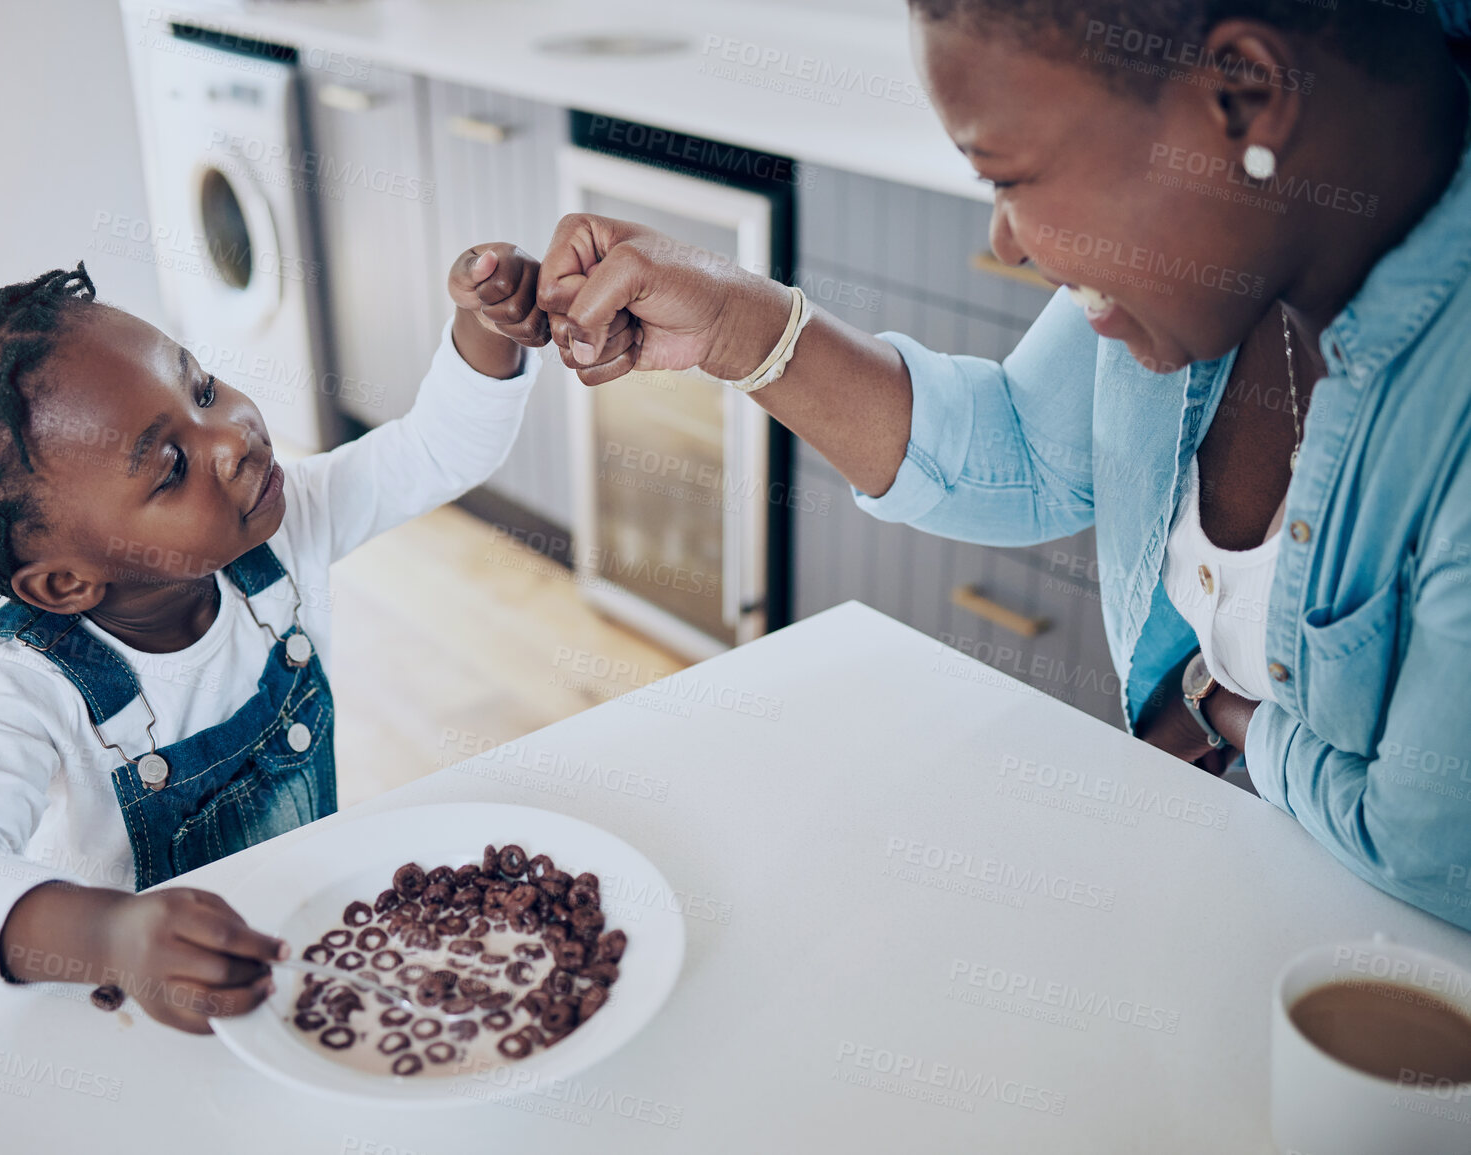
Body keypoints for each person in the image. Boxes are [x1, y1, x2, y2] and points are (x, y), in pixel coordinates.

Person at [536, 1, 1471, 928]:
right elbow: (1025, 450)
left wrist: (1222, 708)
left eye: (1011, 177)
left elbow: (1431, 851)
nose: (1007, 241)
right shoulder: (1228, 240)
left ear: (1243, 95)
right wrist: (735, 323)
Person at [0, 243, 561, 1031]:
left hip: (293, 958)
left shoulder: (282, 532)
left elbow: (434, 450)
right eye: (170, 466)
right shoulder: (22, 683)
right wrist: (113, 938)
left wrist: (487, 324)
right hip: (131, 1024)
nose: (232, 436)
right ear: (65, 583)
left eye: (204, 388)